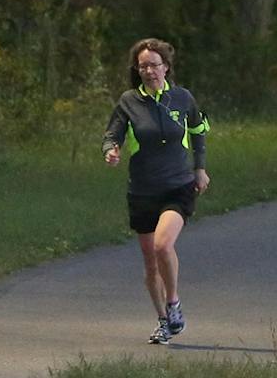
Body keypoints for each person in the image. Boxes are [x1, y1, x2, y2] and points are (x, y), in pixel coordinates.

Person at [102, 37, 211, 344]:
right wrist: (111, 150)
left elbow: (199, 131)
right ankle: (163, 321)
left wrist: (199, 168)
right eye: (143, 66)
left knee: (164, 245)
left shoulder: (182, 98)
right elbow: (112, 134)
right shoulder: (129, 102)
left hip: (178, 185)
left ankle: (173, 303)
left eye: (154, 65)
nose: (149, 71)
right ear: (137, 70)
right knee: (151, 261)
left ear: (166, 66)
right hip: (143, 190)